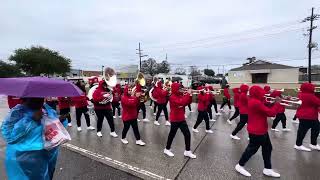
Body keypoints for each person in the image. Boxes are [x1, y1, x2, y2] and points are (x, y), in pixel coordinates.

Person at [1, 98, 67, 180]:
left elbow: (57, 130)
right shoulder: (17, 113)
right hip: (25, 158)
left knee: (47, 176)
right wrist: (30, 120)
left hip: (48, 155)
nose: (39, 101)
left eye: (41, 98)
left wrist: (59, 121)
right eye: (34, 99)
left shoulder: (47, 109)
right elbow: (8, 135)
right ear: (24, 99)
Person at [235, 85, 281, 178]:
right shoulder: (255, 102)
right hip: (257, 131)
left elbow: (264, 107)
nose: (263, 94)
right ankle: (239, 165)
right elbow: (271, 113)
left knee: (267, 148)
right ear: (257, 93)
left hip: (262, 129)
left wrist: (272, 102)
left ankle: (267, 169)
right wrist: (277, 104)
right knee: (251, 150)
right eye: (261, 92)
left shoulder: (256, 100)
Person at [164, 82, 196, 158]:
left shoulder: (181, 95)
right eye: (179, 88)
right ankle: (167, 149)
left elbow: (187, 102)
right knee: (172, 135)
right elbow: (181, 102)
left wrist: (190, 95)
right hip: (174, 119)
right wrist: (188, 94)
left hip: (181, 118)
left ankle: (187, 151)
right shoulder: (172, 97)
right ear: (175, 89)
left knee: (187, 134)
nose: (181, 89)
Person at [294, 82, 320, 151]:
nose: (314, 88)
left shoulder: (301, 94)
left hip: (306, 116)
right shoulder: (310, 96)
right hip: (308, 116)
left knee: (313, 129)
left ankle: (312, 144)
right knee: (305, 131)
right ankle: (298, 145)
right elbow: (318, 102)